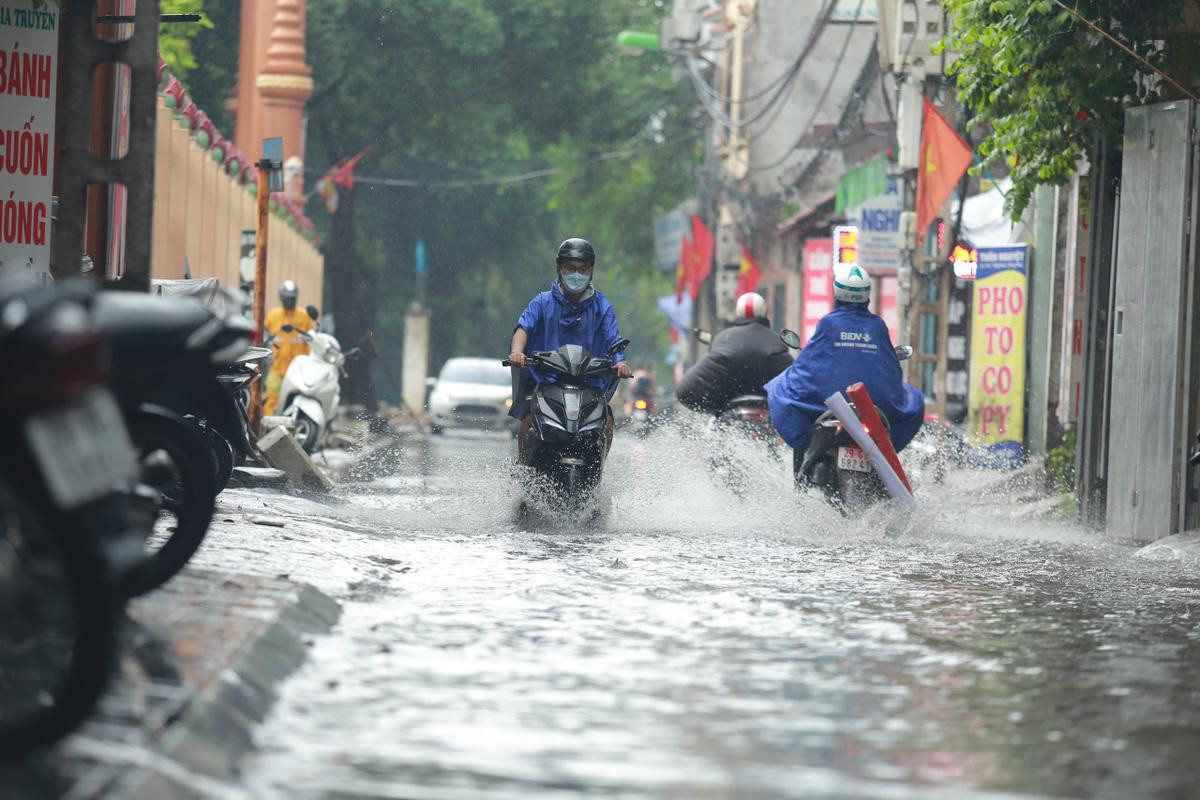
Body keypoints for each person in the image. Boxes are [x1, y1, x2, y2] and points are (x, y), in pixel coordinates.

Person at [766, 262, 924, 463]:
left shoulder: (828, 323)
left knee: (780, 386)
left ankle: (803, 471)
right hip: (874, 409)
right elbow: (891, 370)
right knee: (915, 398)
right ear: (867, 294)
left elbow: (806, 365)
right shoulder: (877, 326)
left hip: (825, 406)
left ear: (836, 292)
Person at [508, 238, 632, 463]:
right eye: (570, 269)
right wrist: (518, 351)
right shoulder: (542, 302)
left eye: (582, 269)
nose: (576, 275)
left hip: (589, 384)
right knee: (528, 416)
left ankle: (598, 469)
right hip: (546, 381)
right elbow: (523, 328)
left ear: (590, 271)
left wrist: (620, 362)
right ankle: (523, 470)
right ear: (560, 269)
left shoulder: (601, 306)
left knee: (609, 421)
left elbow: (614, 340)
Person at [676, 292, 794, 415]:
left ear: (738, 312)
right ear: (764, 312)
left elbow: (684, 392)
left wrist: (717, 409)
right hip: (768, 405)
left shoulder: (723, 337)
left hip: (728, 404)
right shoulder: (776, 340)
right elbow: (797, 387)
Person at [263, 279, 315, 415]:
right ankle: (268, 429)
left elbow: (312, 339)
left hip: (298, 369)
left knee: (296, 400)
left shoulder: (304, 317)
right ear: (281, 297)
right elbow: (264, 336)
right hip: (276, 366)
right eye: (286, 298)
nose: (289, 301)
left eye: (292, 298)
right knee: (271, 398)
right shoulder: (272, 315)